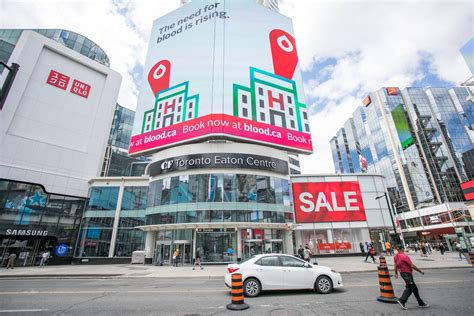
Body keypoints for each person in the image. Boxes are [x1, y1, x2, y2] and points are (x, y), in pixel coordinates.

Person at [393, 246, 429, 310]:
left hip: (402, 273)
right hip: (407, 274)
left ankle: (420, 302)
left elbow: (395, 265)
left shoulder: (395, 256)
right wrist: (420, 271)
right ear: (402, 249)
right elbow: (412, 265)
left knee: (414, 288)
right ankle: (402, 300)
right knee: (409, 287)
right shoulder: (404, 256)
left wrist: (396, 273)